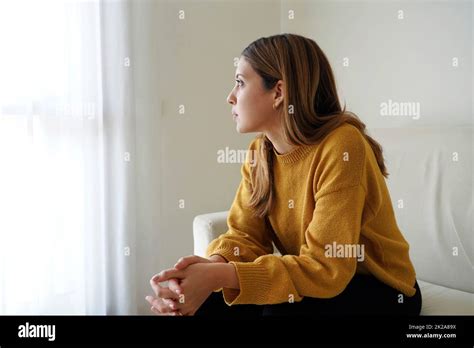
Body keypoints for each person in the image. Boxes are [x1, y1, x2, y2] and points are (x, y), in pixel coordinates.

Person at [145, 33, 422, 317]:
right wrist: (208, 269)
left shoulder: (342, 146)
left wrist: (220, 275)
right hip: (323, 279)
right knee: (209, 303)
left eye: (240, 82)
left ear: (278, 92)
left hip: (381, 289)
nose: (230, 97)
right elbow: (246, 236)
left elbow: (328, 267)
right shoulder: (259, 153)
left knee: (279, 312)